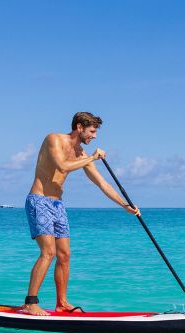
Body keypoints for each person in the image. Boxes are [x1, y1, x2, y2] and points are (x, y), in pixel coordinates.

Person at [21, 112, 139, 316]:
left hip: (58, 205)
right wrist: (92, 157)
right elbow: (62, 165)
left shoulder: (82, 155)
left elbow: (102, 184)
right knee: (48, 252)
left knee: (65, 255)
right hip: (39, 201)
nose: (94, 136)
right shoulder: (54, 139)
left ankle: (62, 303)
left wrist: (124, 205)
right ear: (79, 127)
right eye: (92, 131)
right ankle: (31, 302)